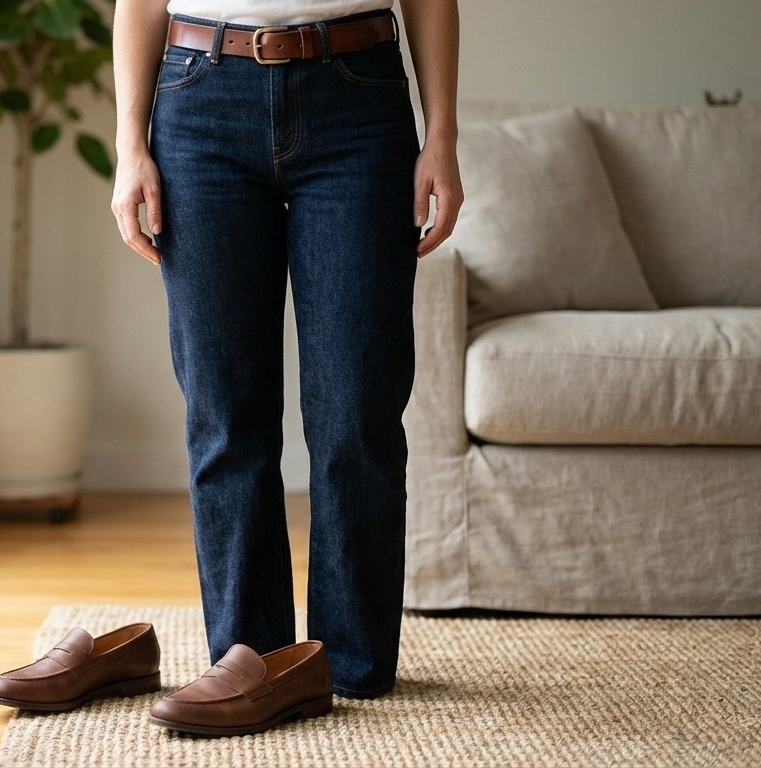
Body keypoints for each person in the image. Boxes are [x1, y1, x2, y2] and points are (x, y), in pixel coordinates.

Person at [108, 0, 464, 726]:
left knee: (356, 408)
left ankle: (351, 663)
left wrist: (442, 138)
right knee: (223, 409)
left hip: (357, 99)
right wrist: (128, 146)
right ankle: (249, 660)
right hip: (197, 99)